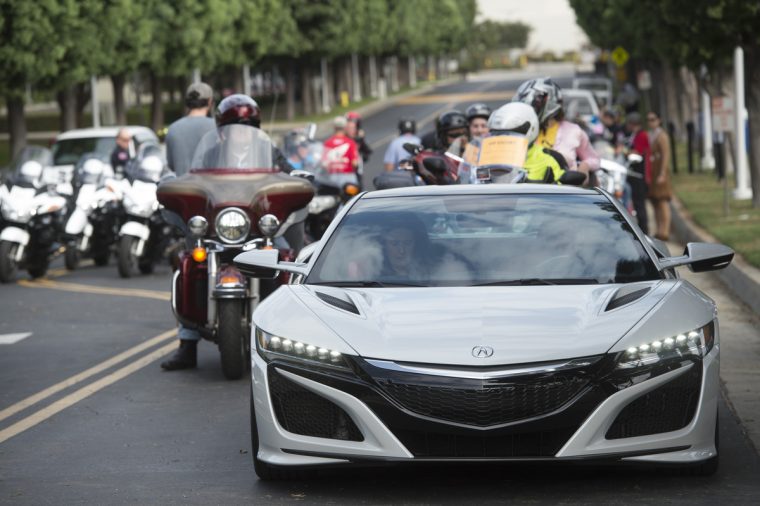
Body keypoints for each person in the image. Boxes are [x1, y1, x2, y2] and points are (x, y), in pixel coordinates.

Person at [161, 92, 292, 372]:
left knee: (286, 257)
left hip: (257, 227)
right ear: (221, 132)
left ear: (255, 130)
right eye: (235, 127)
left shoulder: (270, 152)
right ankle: (187, 344)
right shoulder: (209, 155)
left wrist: (295, 179)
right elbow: (193, 179)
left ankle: (289, 335)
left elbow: (289, 175)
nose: (241, 133)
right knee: (189, 264)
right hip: (219, 226)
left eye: (247, 127)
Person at [513, 78, 599, 179]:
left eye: (533, 106)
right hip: (525, 189)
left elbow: (594, 160)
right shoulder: (519, 132)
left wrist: (585, 166)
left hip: (562, 191)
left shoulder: (573, 131)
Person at [486, 102, 566, 184]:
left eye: (511, 133)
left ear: (531, 129)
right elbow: (475, 177)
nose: (504, 138)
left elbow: (564, 188)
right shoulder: (486, 156)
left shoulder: (551, 158)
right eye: (498, 133)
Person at [165, 82, 216, 177]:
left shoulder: (173, 128)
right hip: (211, 189)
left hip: (183, 189)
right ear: (209, 101)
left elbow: (171, 165)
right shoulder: (217, 126)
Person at [647, 111, 672, 240]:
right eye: (649, 120)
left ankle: (665, 230)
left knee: (663, 200)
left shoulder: (662, 136)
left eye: (653, 119)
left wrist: (662, 172)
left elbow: (666, 155)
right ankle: (658, 229)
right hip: (652, 170)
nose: (651, 122)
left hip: (660, 170)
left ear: (659, 120)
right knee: (654, 201)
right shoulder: (650, 135)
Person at [625, 112, 651, 234]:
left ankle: (644, 231)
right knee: (636, 202)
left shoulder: (641, 135)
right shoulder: (635, 135)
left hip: (639, 174)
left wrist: (625, 152)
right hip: (633, 173)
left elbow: (637, 152)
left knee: (640, 204)